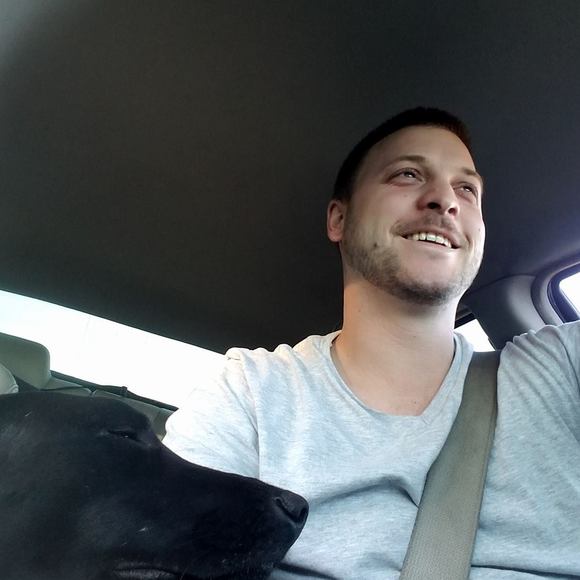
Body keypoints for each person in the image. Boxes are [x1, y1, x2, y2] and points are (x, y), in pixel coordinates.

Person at [163, 108, 580, 579]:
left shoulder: (561, 366)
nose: (445, 199)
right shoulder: (252, 391)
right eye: (407, 174)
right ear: (339, 219)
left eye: (467, 189)